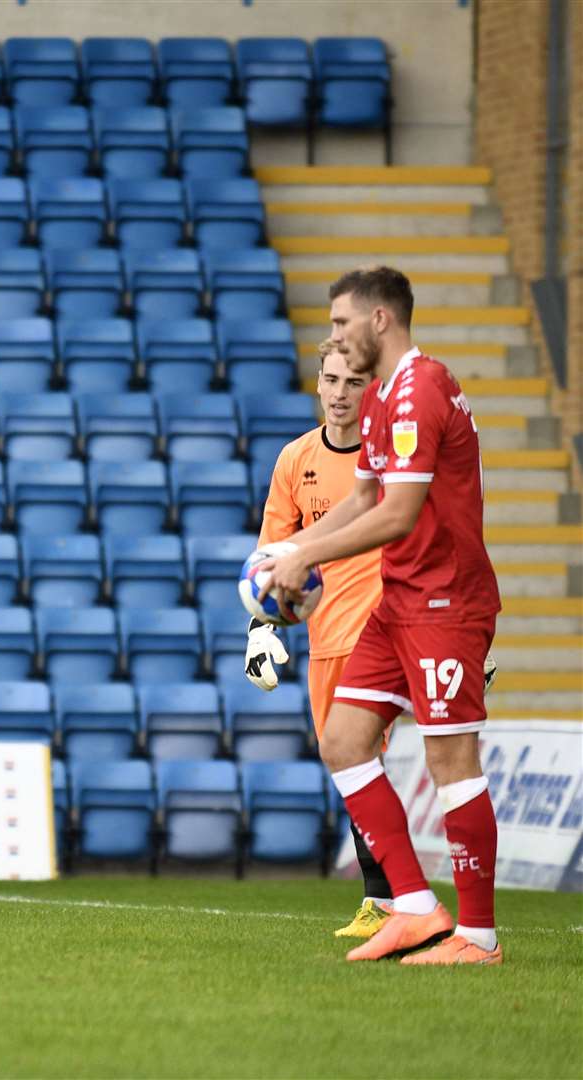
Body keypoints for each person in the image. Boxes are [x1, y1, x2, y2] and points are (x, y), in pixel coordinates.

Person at [258, 267, 504, 964]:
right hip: (399, 602)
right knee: (342, 740)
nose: (332, 336)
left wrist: (308, 561)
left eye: (339, 323)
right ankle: (415, 908)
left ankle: (477, 938)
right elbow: (364, 496)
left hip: (446, 601)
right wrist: (289, 548)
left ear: (377, 322)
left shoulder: (420, 388)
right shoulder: (379, 401)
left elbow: (397, 513)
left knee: (449, 759)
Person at [250, 339, 392, 939]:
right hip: (327, 637)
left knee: (370, 757)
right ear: (317, 385)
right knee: (350, 765)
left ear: (371, 390)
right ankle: (389, 898)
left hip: (390, 628)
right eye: (330, 381)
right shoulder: (295, 460)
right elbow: (270, 557)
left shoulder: (395, 462)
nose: (339, 394)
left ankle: (388, 900)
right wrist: (261, 631)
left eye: (352, 383)